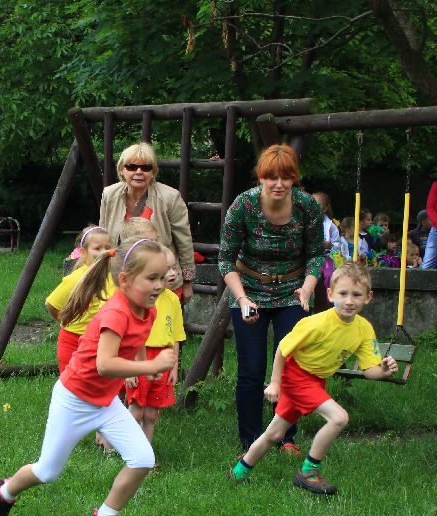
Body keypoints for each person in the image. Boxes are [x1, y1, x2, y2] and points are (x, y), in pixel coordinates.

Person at [0, 238, 174, 516]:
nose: (159, 285)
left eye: (163, 276)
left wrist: (141, 366)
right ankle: (5, 491)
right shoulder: (116, 313)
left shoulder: (147, 310)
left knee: (143, 458)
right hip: (73, 400)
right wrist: (151, 365)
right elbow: (104, 363)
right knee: (47, 471)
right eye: (151, 278)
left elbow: (137, 341)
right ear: (125, 280)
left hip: (105, 403)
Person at [228, 262, 399, 494]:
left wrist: (384, 371)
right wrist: (276, 382)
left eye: (357, 295)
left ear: (368, 297)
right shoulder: (315, 323)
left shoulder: (364, 329)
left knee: (274, 434)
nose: (349, 301)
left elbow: (369, 370)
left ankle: (238, 472)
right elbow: (283, 349)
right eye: (343, 294)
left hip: (316, 380)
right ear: (330, 294)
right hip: (296, 377)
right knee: (339, 418)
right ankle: (309, 471)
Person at [218, 144, 323, 456]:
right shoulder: (243, 206)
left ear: (294, 179)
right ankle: (250, 441)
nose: (279, 184)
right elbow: (225, 260)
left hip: (293, 292)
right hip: (248, 291)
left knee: (292, 366)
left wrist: (306, 289)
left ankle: (286, 437)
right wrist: (242, 298)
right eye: (271, 177)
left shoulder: (307, 207)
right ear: (261, 177)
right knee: (251, 369)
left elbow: (316, 255)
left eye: (286, 177)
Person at [99, 142, 196, 300]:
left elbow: (184, 241)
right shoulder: (109, 194)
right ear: (122, 170)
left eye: (146, 167)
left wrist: (187, 282)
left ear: (153, 172)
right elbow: (103, 235)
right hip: (121, 281)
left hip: (161, 282)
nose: (139, 172)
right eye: (131, 166)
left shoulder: (170, 197)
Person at [125, 246, 185, 444]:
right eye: (166, 269)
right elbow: (129, 336)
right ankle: (127, 452)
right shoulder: (140, 299)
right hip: (139, 357)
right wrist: (130, 368)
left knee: (151, 415)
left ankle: (146, 458)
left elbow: (176, 336)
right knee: (136, 412)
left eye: (174, 267)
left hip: (163, 359)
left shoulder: (174, 300)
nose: (172, 273)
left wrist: (174, 367)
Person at [45, 225, 114, 372]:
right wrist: (65, 320)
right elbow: (51, 304)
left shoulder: (115, 277)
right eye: (97, 248)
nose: (103, 252)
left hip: (103, 343)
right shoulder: (76, 278)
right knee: (72, 386)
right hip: (74, 342)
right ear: (83, 252)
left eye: (107, 247)